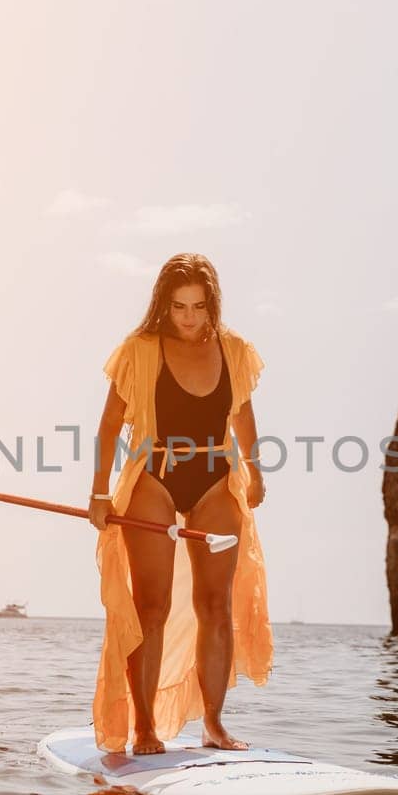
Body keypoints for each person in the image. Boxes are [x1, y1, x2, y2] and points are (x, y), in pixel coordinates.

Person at [88, 253, 272, 755]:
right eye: (178, 307)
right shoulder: (140, 349)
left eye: (197, 306)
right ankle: (144, 726)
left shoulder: (234, 350)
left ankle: (213, 724)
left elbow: (244, 417)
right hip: (155, 478)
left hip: (215, 480)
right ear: (163, 306)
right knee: (153, 607)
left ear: (212, 303)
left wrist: (255, 470)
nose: (188, 317)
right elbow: (109, 425)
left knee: (216, 606)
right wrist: (100, 491)